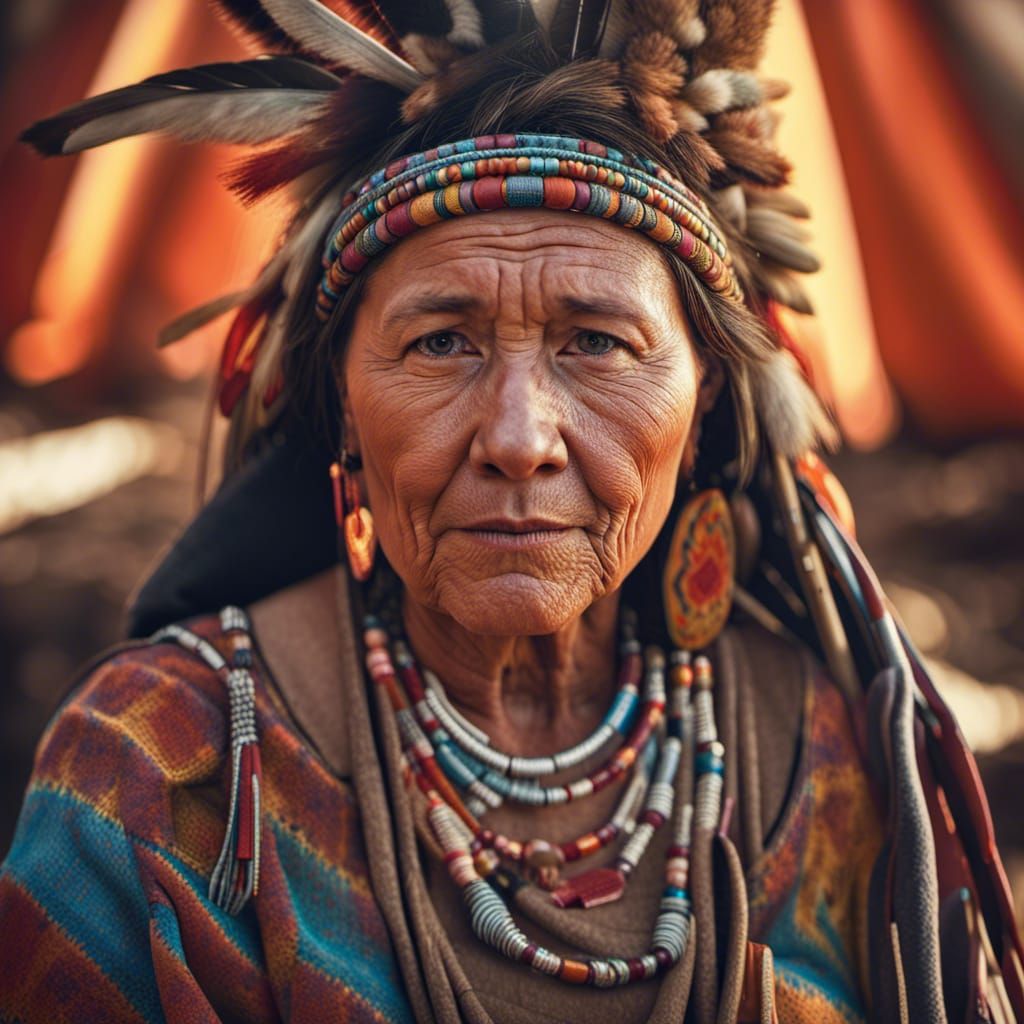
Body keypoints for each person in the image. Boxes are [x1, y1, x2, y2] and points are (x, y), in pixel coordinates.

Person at [1, 2, 1021, 1022]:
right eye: (442, 342)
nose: (518, 436)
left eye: (596, 342)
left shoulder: (830, 750)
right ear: (341, 406)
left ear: (704, 393)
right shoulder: (159, 772)